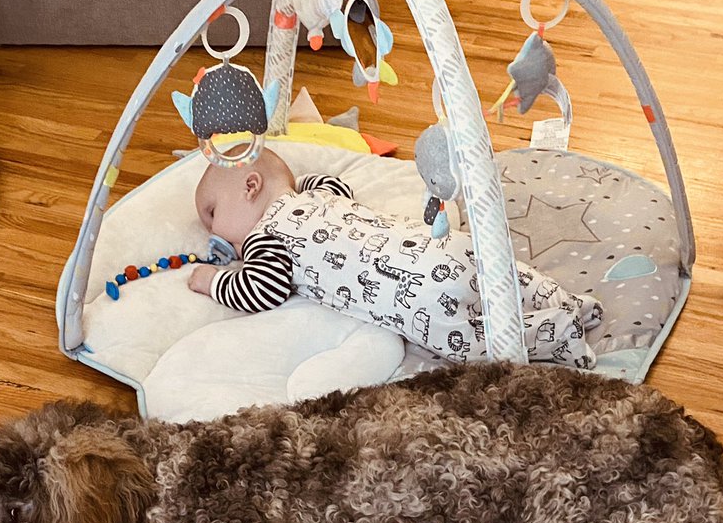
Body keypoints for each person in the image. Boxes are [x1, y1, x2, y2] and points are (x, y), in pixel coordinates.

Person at [188, 148, 602, 368]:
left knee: (473, 340)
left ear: (250, 187)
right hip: (441, 245)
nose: (213, 230)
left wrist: (211, 279)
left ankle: (554, 332)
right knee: (504, 272)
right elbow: (337, 188)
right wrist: (296, 183)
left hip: (417, 298)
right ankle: (566, 301)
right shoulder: (317, 195)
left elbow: (262, 289)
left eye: (212, 214)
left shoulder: (265, 237)